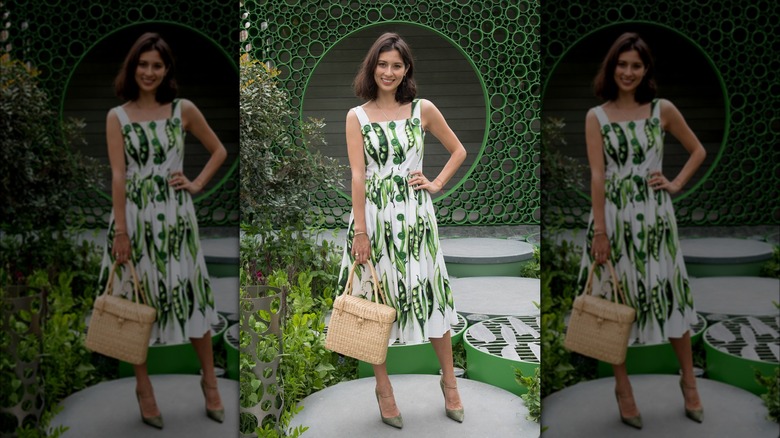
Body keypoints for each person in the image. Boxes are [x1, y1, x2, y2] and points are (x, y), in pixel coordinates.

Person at [338, 32, 467, 429]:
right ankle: (384, 390)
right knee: (375, 301)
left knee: (432, 297)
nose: (389, 72)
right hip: (373, 221)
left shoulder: (422, 110)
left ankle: (449, 383)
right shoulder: (355, 116)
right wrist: (361, 232)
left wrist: (437, 183)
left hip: (415, 219)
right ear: (372, 68)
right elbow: (358, 177)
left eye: (396, 65)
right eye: (382, 64)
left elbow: (458, 150)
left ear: (406, 69)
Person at [99, 32, 227, 429]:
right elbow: (119, 176)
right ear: (132, 68)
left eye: (157, 65)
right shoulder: (116, 116)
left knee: (192, 298)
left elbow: (219, 150)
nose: (149, 72)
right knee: (135, 304)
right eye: (143, 64)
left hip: (176, 220)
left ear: (166, 69)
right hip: (134, 222)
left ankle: (210, 383)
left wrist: (197, 183)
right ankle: (144, 389)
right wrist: (121, 232)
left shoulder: (182, 110)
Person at [580, 32, 706, 429]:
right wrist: (600, 232)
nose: (628, 72)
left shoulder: (661, 110)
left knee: (671, 296)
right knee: (615, 303)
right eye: (622, 64)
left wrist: (676, 183)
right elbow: (598, 176)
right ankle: (623, 390)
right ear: (611, 68)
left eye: (636, 65)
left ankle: (689, 383)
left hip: (655, 220)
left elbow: (698, 150)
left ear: (646, 70)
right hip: (613, 222)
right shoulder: (595, 116)